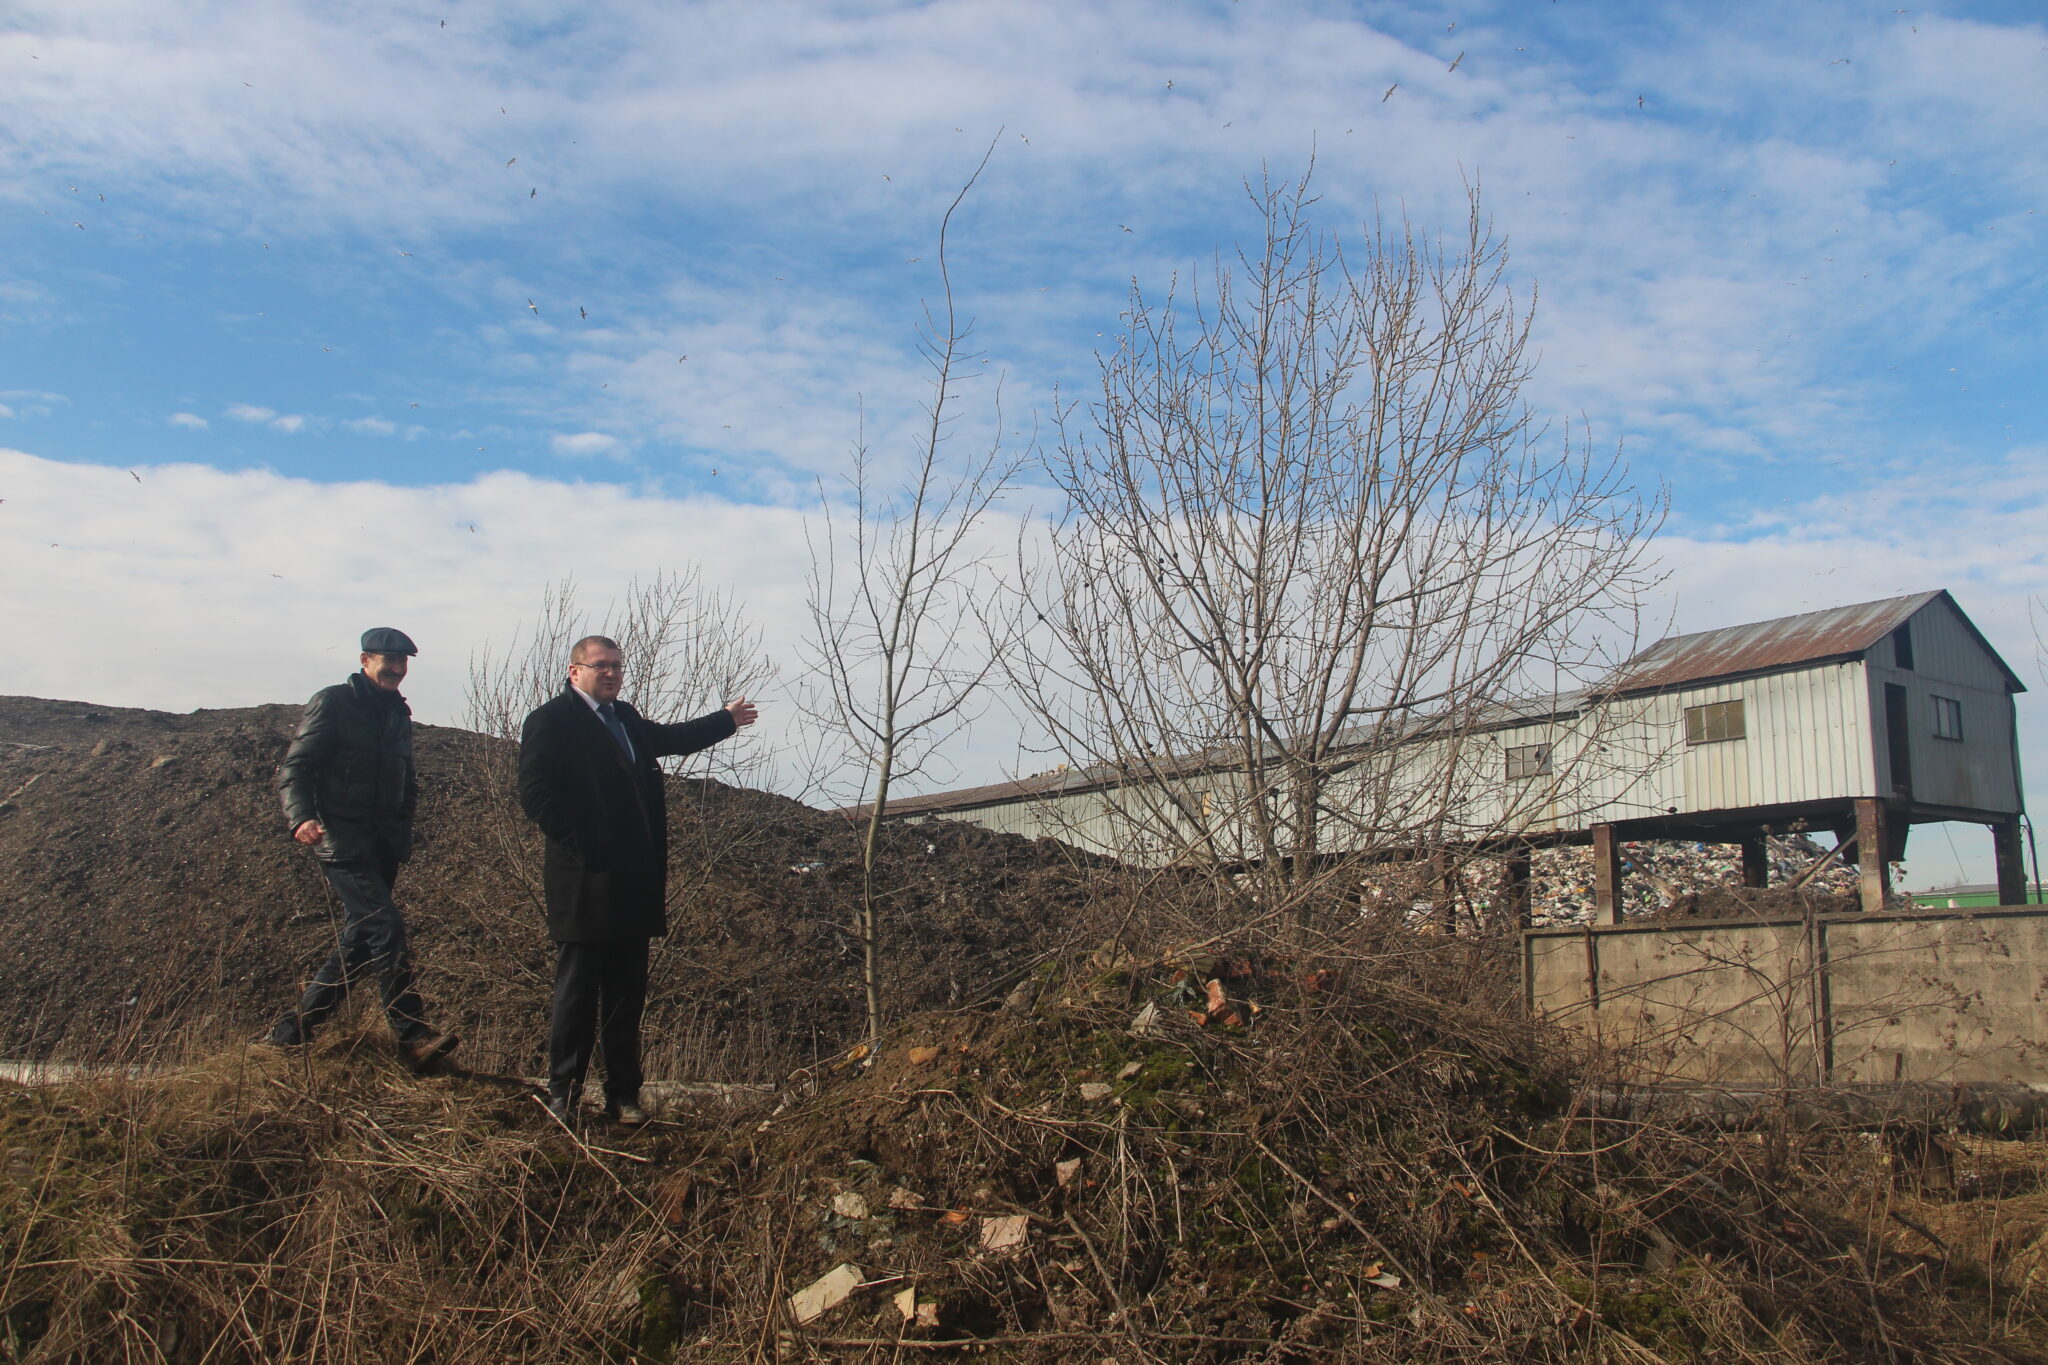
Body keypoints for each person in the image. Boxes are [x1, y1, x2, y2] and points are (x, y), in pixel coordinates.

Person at [517, 635, 758, 1125]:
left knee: (626, 998)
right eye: (601, 666)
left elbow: (669, 739)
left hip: (633, 884)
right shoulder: (550, 721)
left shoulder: (624, 718)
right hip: (585, 883)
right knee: (577, 996)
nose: (611, 674)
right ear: (574, 671)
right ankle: (562, 1093)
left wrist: (725, 720)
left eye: (617, 668)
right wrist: (588, 846)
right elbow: (536, 795)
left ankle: (623, 1096)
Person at [265, 628, 458, 1071]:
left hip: (383, 843)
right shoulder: (334, 702)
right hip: (340, 837)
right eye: (387, 660)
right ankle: (413, 1036)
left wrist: (404, 823)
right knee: (385, 925)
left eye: (402, 662)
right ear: (364, 660)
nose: (395, 669)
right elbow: (296, 766)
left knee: (358, 941)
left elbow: (405, 776)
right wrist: (301, 817)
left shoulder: (398, 714)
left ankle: (291, 1035)